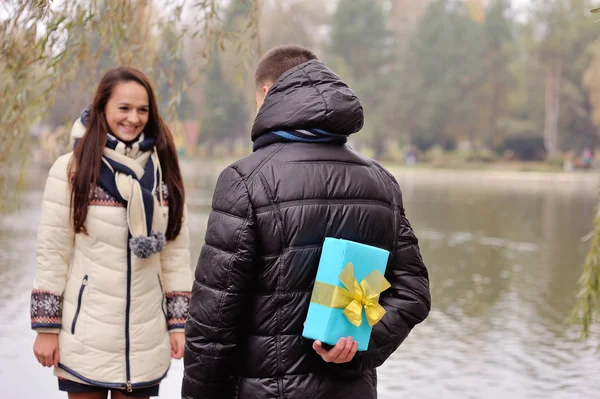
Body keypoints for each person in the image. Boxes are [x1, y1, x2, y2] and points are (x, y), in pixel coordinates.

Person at [182, 45, 431, 399]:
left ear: (267, 94)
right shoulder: (382, 182)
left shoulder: (245, 180)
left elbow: (213, 321)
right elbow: (413, 292)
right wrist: (360, 344)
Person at [31, 66, 192, 399]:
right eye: (124, 108)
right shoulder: (72, 169)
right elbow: (53, 251)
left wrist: (179, 325)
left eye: (142, 110)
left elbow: (175, 253)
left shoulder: (163, 169)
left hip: (146, 339)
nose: (133, 118)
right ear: (103, 107)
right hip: (86, 335)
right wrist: (46, 328)